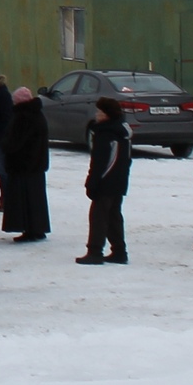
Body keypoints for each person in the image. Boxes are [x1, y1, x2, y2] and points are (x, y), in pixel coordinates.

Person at [76, 95, 132, 264]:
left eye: (99, 111)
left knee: (98, 216)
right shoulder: (121, 131)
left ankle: (95, 251)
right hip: (119, 180)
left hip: (106, 181)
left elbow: (100, 163)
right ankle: (119, 251)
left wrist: (92, 182)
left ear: (107, 114)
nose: (96, 114)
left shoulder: (105, 133)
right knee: (113, 215)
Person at [0, 85, 50, 242]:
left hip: (22, 164)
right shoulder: (37, 114)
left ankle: (29, 230)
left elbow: (15, 142)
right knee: (36, 199)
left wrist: (4, 145)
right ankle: (38, 228)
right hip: (36, 164)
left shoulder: (22, 117)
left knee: (24, 200)